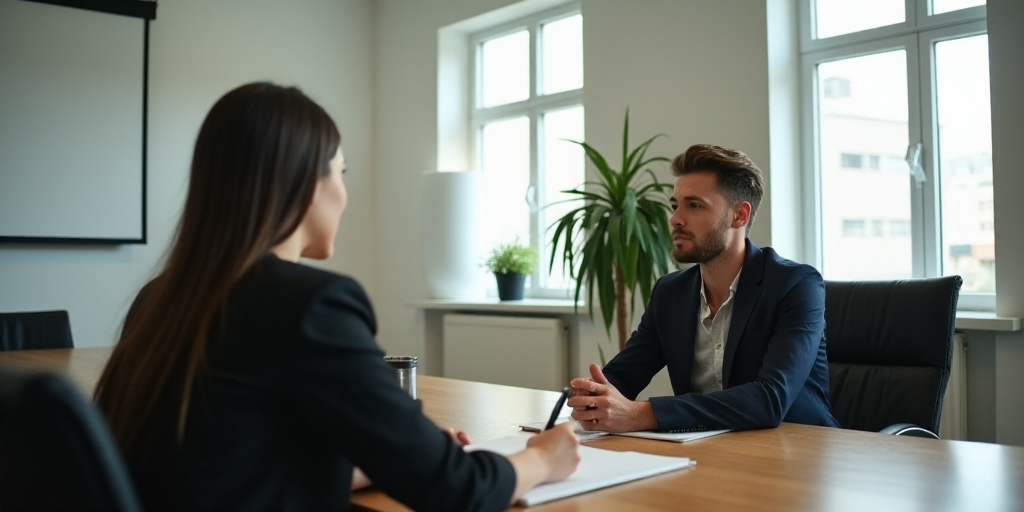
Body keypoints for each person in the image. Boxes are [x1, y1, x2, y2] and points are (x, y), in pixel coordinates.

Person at [94, 82, 579, 511]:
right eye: (342, 172)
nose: (345, 194)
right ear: (308, 183)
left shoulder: (160, 300)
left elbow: (225, 462)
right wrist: (539, 458)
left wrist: (395, 454)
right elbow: (452, 490)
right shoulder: (310, 305)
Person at [568, 144, 838, 433]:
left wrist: (642, 414)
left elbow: (769, 399)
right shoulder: (670, 293)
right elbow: (624, 375)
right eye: (674, 206)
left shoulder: (795, 285)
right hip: (707, 450)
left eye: (694, 206)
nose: (675, 219)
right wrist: (593, 396)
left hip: (797, 452)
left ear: (739, 216)